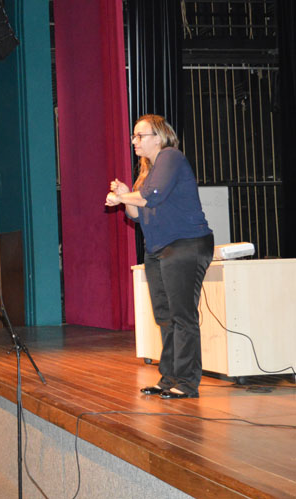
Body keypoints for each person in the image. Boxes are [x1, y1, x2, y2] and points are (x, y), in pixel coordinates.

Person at [105, 114, 213, 399]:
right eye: (134, 136)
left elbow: (151, 196)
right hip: (157, 249)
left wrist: (123, 197)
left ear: (160, 136)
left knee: (182, 316)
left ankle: (187, 383)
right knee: (165, 317)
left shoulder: (170, 157)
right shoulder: (147, 170)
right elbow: (137, 215)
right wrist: (126, 195)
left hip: (185, 245)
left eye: (141, 136)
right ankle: (169, 379)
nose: (134, 141)